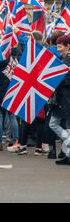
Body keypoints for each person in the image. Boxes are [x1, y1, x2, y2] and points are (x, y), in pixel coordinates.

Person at [48, 35, 70, 165]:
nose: (58, 49)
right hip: (64, 98)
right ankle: (68, 155)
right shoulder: (65, 60)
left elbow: (67, 80)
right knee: (66, 127)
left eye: (60, 46)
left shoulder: (67, 61)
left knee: (53, 124)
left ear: (68, 46)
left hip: (65, 97)